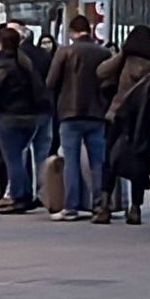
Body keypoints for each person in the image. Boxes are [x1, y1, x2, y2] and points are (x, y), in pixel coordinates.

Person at [46, 15, 111, 222]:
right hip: (97, 113)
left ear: (72, 32)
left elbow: (50, 82)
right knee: (98, 162)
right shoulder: (104, 52)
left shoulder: (64, 52)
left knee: (71, 161)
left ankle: (71, 206)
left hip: (69, 113)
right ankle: (99, 204)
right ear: (90, 30)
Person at [0, 24, 49, 215]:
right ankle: (26, 193)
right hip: (30, 116)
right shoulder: (26, 64)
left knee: (13, 159)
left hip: (8, 116)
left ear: (1, 43)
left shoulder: (1, 65)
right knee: (22, 155)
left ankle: (19, 196)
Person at [99, 25, 150, 224]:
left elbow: (101, 71)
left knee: (109, 160)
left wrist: (122, 53)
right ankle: (135, 208)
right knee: (139, 162)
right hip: (143, 119)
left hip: (117, 115)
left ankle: (105, 206)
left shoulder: (126, 59)